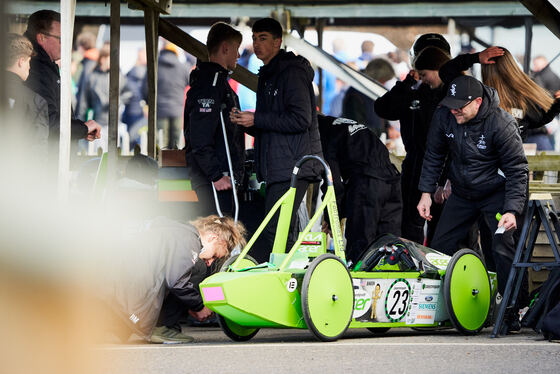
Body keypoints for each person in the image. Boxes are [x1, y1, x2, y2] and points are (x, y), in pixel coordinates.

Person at [417, 75, 528, 331]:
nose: (454, 109)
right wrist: (426, 193)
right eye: (451, 104)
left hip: (496, 193)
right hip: (463, 192)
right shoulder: (444, 115)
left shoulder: (501, 123)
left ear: (478, 102)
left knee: (501, 247)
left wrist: (512, 210)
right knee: (439, 245)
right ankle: (441, 307)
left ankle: (513, 309)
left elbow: (517, 169)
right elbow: (434, 154)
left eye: (460, 106)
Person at [230, 18, 322, 262]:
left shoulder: (290, 73)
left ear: (278, 42)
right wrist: (245, 122)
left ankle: (289, 282)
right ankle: (290, 279)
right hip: (279, 166)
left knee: (276, 230)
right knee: (280, 230)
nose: (256, 44)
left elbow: (300, 119)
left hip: (293, 165)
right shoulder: (269, 74)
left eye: (263, 38)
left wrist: (257, 119)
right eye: (254, 38)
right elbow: (273, 126)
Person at [107, 215, 246, 344]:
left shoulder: (179, 232)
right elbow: (177, 281)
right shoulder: (189, 241)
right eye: (214, 256)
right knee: (198, 268)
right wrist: (198, 306)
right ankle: (161, 327)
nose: (210, 262)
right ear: (212, 237)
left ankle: (133, 326)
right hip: (128, 303)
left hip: (116, 294)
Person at [374, 33, 451, 245]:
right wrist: (407, 83)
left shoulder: (455, 90)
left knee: (446, 229)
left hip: (447, 168)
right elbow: (382, 108)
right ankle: (413, 267)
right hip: (415, 164)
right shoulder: (412, 89)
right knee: (410, 225)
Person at [439, 46, 560, 150]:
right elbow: (537, 120)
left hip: (483, 169)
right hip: (510, 168)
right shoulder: (522, 98)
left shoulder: (479, 97)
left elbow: (445, 72)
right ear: (511, 66)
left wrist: (475, 58)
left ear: (485, 69)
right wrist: (555, 107)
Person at [318, 115, 402, 265]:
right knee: (390, 250)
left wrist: (331, 219)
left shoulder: (323, 137)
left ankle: (356, 287)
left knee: (360, 251)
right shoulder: (339, 123)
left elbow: (333, 184)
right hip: (392, 179)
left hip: (367, 182)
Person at [184, 22, 245, 217]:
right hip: (214, 179)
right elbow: (200, 137)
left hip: (222, 176)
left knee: (225, 235)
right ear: (225, 48)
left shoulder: (218, 81)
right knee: (218, 237)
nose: (239, 54)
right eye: (237, 48)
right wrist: (217, 176)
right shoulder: (209, 84)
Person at [24, 10, 101, 163]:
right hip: (43, 161)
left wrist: (79, 129)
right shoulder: (37, 69)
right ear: (41, 37)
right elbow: (49, 122)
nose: (65, 44)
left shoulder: (45, 65)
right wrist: (82, 128)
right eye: (60, 38)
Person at [3, 33, 49, 171]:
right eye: (29, 62)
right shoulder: (35, 101)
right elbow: (38, 154)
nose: (29, 67)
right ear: (21, 61)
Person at [77, 43, 131, 152]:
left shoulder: (119, 76)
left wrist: (118, 101)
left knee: (115, 155)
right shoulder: (92, 77)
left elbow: (128, 93)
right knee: (99, 155)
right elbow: (83, 102)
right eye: (109, 58)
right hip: (98, 123)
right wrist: (81, 125)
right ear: (102, 59)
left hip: (116, 124)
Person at [144, 42, 190, 149]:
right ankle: (175, 165)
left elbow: (145, 88)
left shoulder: (154, 67)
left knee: (161, 143)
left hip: (159, 110)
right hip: (177, 110)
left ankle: (158, 164)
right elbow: (191, 83)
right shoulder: (183, 67)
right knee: (176, 143)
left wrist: (148, 103)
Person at [342, 58, 395, 137]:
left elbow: (382, 116)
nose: (384, 85)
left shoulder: (375, 92)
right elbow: (356, 129)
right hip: (361, 145)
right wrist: (386, 133)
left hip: (376, 143)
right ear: (376, 79)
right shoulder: (355, 94)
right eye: (383, 82)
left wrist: (388, 127)